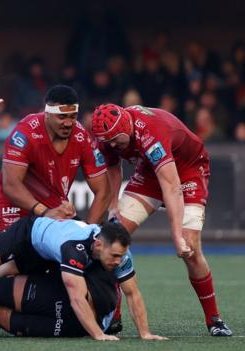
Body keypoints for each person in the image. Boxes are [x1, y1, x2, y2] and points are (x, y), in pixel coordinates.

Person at [91, 103, 232, 336]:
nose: (113, 145)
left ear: (127, 127)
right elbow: (113, 167)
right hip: (149, 172)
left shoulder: (151, 132)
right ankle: (112, 315)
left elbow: (172, 186)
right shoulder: (108, 137)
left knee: (190, 246)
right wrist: (114, 205)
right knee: (111, 237)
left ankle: (214, 318)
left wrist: (176, 236)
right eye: (108, 142)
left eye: (116, 140)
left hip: (187, 170)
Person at [0, 216, 135, 341]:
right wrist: (141, 332)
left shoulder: (78, 243)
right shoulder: (104, 253)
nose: (117, 260)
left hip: (67, 305)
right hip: (73, 326)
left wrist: (98, 334)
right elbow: (132, 294)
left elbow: (78, 296)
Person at [0, 85, 109, 233]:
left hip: (56, 208)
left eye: (73, 117)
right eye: (62, 117)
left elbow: (103, 191)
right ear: (47, 113)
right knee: (12, 255)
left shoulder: (82, 138)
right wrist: (44, 212)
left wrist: (87, 233)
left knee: (81, 252)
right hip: (18, 207)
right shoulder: (25, 133)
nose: (68, 123)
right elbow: (10, 185)